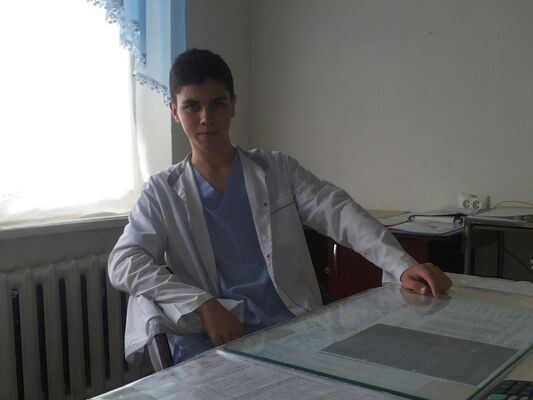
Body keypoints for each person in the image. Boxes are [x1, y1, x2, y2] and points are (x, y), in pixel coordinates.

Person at [108, 48, 452, 364]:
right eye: (191, 106)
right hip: (212, 342)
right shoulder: (161, 192)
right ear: (173, 110)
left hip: (291, 331)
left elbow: (338, 211)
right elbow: (123, 261)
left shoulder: (276, 169)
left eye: (217, 104)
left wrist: (401, 265)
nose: (205, 118)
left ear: (233, 104)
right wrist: (202, 304)